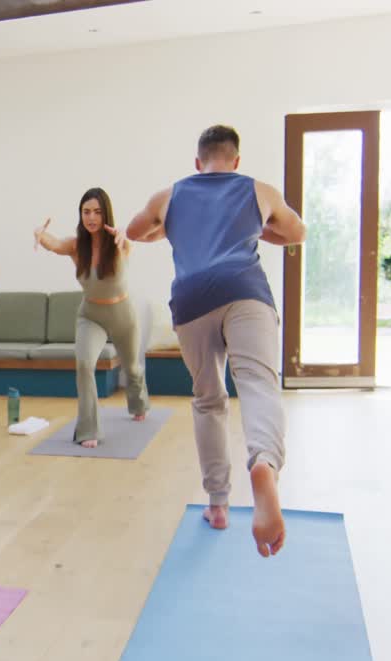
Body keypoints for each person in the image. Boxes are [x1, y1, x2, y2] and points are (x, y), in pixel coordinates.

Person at [120, 125, 306, 558]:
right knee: (258, 384)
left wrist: (170, 230)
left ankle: (218, 504)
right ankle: (264, 463)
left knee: (209, 399)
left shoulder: (170, 195)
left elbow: (134, 232)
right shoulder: (258, 190)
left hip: (191, 299)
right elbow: (298, 232)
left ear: (197, 161)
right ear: (236, 160)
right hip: (246, 290)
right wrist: (262, 229)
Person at [33, 188, 150, 447]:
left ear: (106, 213)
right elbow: (54, 244)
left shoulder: (120, 243)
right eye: (86, 212)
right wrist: (40, 235)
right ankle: (89, 429)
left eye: (97, 212)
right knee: (85, 364)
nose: (92, 217)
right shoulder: (77, 246)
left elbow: (127, 240)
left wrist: (123, 235)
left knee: (131, 367)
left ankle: (139, 403)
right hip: (91, 315)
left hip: (122, 314)